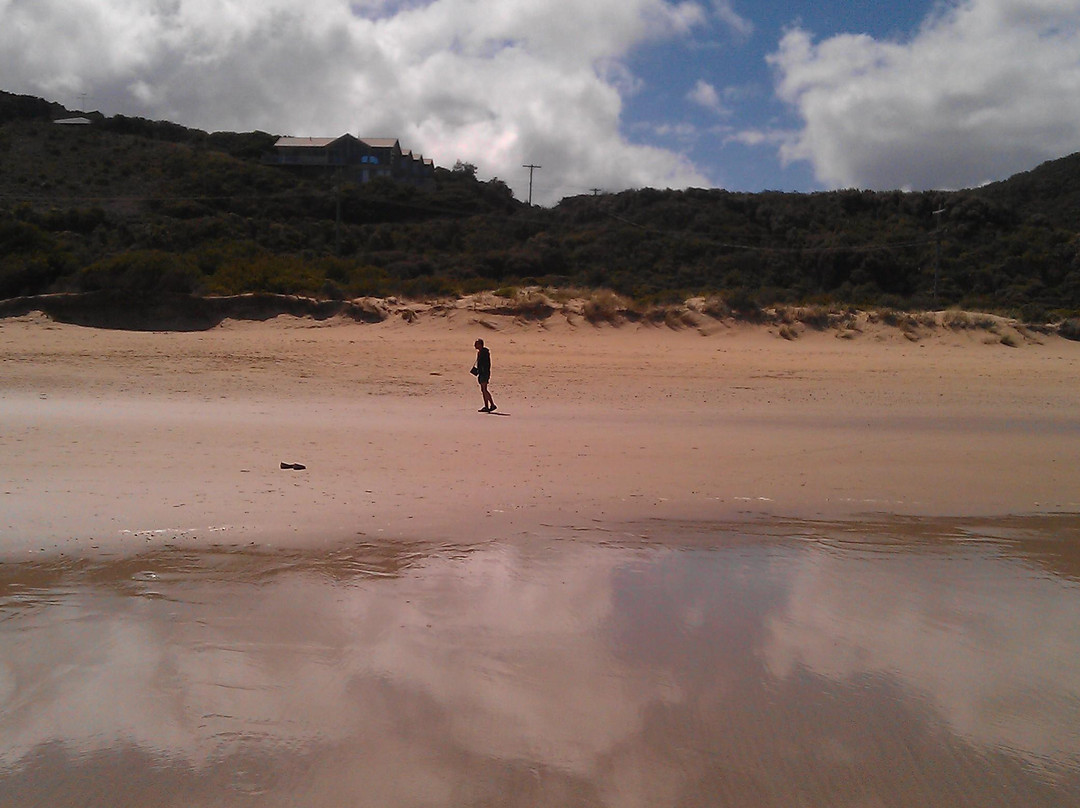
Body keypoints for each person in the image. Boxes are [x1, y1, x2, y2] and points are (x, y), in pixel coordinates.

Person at [473, 338, 496, 412]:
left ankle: (492, 405)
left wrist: (483, 371)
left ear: (480, 344)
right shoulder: (480, 352)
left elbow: (486, 364)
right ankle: (486, 406)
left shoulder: (484, 352)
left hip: (484, 373)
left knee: (484, 389)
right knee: (483, 390)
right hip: (482, 373)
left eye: (476, 344)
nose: (475, 345)